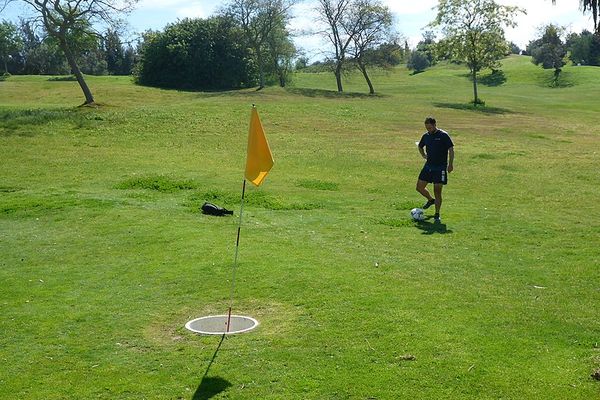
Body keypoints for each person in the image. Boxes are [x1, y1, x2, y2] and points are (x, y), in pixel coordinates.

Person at [416, 117, 454, 223]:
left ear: (434, 125)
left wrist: (450, 164)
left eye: (430, 127)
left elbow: (451, 149)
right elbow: (420, 146)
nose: (428, 130)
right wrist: (423, 155)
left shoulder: (443, 135)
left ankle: (437, 214)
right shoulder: (426, 136)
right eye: (426, 128)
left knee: (437, 191)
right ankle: (430, 200)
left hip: (440, 167)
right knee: (419, 187)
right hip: (428, 166)